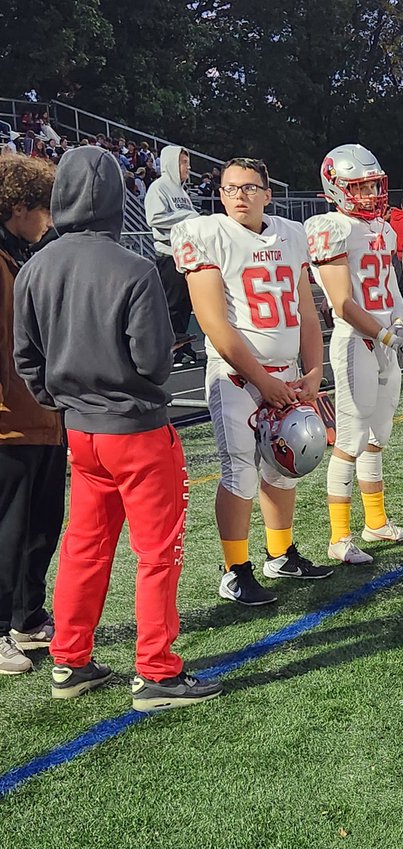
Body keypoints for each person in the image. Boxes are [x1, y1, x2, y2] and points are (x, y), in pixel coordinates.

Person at [13, 146, 222, 710]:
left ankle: (71, 659)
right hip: (138, 430)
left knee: (84, 546)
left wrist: (59, 399)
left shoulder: (34, 268)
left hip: (78, 431)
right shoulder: (134, 269)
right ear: (114, 200)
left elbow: (26, 357)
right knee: (157, 552)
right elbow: (153, 361)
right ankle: (156, 671)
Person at [171, 156, 332, 605]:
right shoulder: (207, 234)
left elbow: (306, 312)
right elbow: (214, 324)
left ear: (267, 192)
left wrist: (314, 372)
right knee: (240, 471)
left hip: (287, 375)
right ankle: (234, 570)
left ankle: (280, 554)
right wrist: (262, 380)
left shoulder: (291, 234)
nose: (238, 195)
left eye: (248, 187)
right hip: (238, 377)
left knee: (285, 469)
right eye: (229, 188)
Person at [306, 144, 403, 564]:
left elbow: (388, 286)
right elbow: (342, 303)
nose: (370, 193)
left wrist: (400, 327)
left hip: (387, 339)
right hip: (358, 342)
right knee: (351, 439)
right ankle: (339, 538)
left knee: (378, 437)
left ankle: (376, 522)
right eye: (358, 186)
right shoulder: (331, 227)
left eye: (373, 184)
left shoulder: (381, 227)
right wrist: (389, 337)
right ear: (335, 188)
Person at [0, 156, 65, 676]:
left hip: (41, 416)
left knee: (40, 527)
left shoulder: (19, 256)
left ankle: (26, 614)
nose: (48, 220)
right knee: (8, 530)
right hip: (8, 422)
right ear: (17, 207)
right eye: (41, 209)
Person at [145, 144, 197, 366]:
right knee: (172, 304)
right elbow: (154, 218)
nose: (188, 167)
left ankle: (183, 345)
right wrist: (187, 217)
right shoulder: (159, 188)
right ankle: (170, 349)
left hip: (185, 254)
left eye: (187, 162)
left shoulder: (182, 191)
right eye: (183, 162)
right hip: (168, 254)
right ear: (171, 163)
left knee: (186, 303)